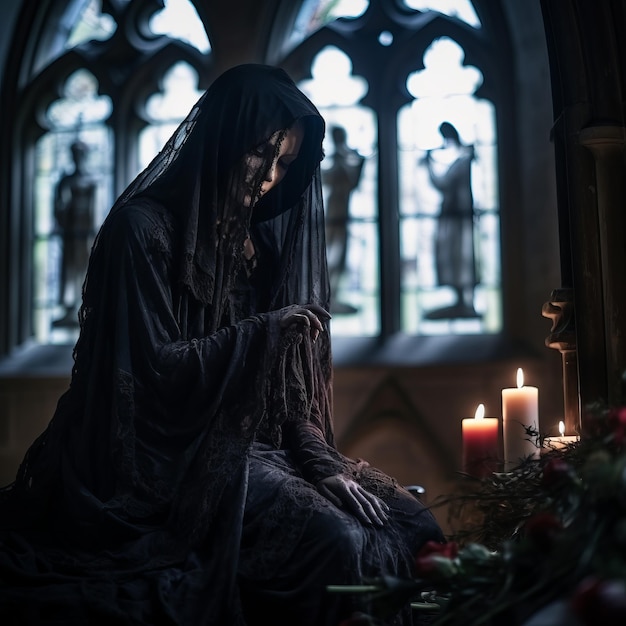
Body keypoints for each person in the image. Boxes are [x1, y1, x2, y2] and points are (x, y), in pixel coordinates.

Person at [0, 64, 443, 626]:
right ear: (226, 140)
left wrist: (318, 461)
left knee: (411, 525)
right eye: (262, 153)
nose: (270, 176)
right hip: (160, 462)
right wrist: (266, 332)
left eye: (285, 163)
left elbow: (288, 393)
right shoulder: (140, 231)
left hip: (255, 449)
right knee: (334, 542)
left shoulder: (258, 245)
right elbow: (148, 379)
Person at [422, 121, 480, 320]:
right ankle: (460, 301)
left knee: (460, 257)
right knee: (452, 256)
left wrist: (429, 163)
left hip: (459, 216)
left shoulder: (462, 161)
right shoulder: (460, 161)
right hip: (452, 215)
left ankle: (465, 302)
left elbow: (443, 184)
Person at [52, 138, 97, 328]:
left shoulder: (91, 180)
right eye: (74, 155)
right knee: (69, 269)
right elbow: (58, 206)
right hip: (71, 234)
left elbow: (96, 209)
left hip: (86, 233)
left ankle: (85, 304)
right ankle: (69, 308)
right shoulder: (66, 180)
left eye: (80, 154)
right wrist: (63, 223)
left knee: (84, 268)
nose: (77, 158)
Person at [322, 125, 364, 314]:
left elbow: (352, 181)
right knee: (331, 253)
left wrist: (357, 162)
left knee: (340, 254)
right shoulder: (340, 156)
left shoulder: (346, 156)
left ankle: (335, 294)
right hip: (333, 211)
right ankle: (329, 294)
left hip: (342, 212)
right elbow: (327, 178)